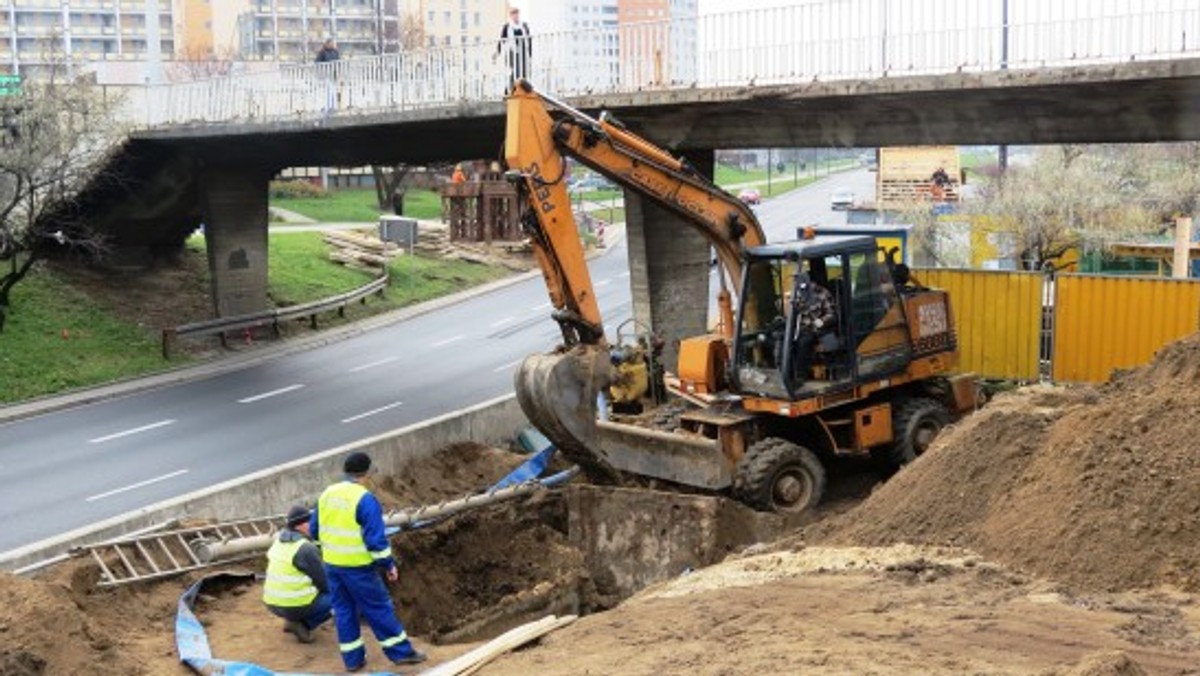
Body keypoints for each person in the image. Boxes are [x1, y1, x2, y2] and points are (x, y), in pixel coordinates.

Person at [311, 452, 426, 672]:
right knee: (379, 608)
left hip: (332, 567)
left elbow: (315, 530)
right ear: (367, 473)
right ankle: (402, 653)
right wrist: (388, 565)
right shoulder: (365, 499)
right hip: (358, 568)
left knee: (344, 612)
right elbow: (376, 541)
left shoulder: (327, 494)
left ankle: (353, 661)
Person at [262, 505, 332, 644]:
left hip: (272, 603)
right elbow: (325, 583)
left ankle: (292, 620)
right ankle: (304, 625)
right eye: (311, 522)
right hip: (294, 604)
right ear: (302, 525)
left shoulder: (279, 541)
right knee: (342, 596)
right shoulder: (305, 548)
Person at [494, 7, 532, 88]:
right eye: (513, 14)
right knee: (514, 71)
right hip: (512, 51)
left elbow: (529, 40)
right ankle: (510, 88)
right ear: (511, 16)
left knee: (524, 71)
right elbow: (502, 40)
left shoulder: (524, 25)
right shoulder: (507, 26)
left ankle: (523, 89)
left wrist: (530, 53)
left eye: (517, 14)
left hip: (523, 51)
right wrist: (497, 52)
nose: (516, 16)